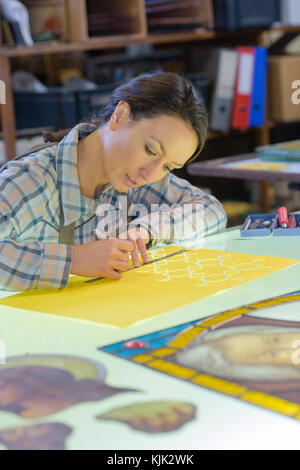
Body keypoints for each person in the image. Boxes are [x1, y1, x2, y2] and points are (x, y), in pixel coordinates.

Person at [0, 71, 227, 291]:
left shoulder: (137, 179)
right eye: (150, 150)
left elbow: (212, 210)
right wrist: (74, 260)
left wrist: (147, 229)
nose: (150, 174)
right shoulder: (28, 180)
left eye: (168, 166)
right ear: (120, 116)